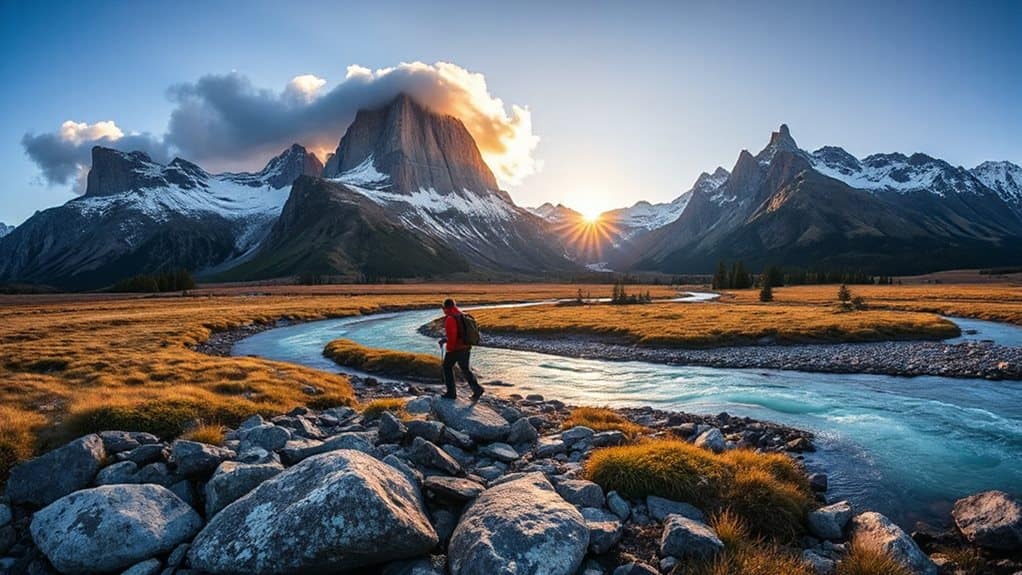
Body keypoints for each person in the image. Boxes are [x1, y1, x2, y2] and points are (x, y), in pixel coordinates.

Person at [438, 298, 483, 400]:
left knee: (447, 367)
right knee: (465, 369)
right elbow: (459, 334)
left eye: (443, 308)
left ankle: (451, 393)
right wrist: (446, 340)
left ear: (445, 308)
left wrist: (449, 349)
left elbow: (453, 337)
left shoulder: (450, 318)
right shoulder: (462, 315)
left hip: (456, 349)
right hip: (466, 346)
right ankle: (477, 390)